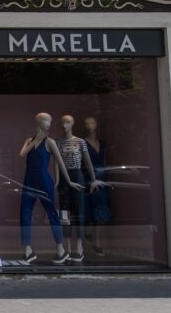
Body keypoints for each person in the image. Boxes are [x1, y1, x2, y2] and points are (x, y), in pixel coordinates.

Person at [19, 112, 84, 265]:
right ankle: (27, 250)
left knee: (52, 213)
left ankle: (60, 249)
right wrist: (36, 140)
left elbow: (60, 163)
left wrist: (68, 181)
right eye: (46, 120)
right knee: (24, 213)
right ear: (38, 122)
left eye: (50, 121)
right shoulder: (29, 140)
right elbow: (22, 154)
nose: (49, 123)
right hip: (29, 181)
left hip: (43, 181)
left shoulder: (50, 142)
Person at [56, 114, 104, 262]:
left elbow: (88, 162)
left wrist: (94, 178)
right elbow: (57, 163)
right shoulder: (57, 142)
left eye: (68, 122)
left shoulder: (80, 142)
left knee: (78, 210)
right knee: (65, 213)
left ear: (73, 124)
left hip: (77, 175)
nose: (65, 125)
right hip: (64, 178)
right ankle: (68, 247)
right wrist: (57, 181)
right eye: (63, 122)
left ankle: (79, 247)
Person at [83, 116, 110, 256]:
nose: (90, 125)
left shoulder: (102, 143)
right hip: (89, 178)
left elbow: (106, 160)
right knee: (90, 208)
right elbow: (84, 163)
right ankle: (91, 237)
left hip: (103, 178)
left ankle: (98, 241)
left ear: (97, 124)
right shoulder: (83, 143)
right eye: (87, 123)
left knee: (102, 209)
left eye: (92, 122)